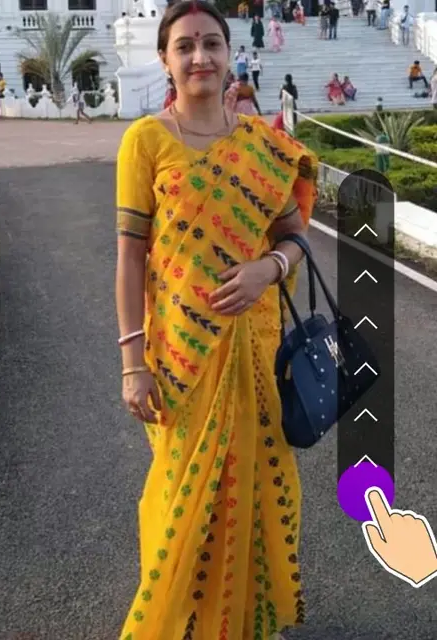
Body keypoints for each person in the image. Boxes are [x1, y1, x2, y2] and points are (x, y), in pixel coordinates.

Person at [115, 2, 318, 639]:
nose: (199, 57)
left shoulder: (263, 145)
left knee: (258, 478)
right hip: (180, 353)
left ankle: (248, 617)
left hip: (256, 347)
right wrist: (131, 363)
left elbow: (294, 236)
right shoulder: (146, 141)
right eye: (185, 46)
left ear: (230, 54)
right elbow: (130, 257)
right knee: (182, 488)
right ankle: (180, 618)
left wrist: (269, 269)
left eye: (211, 44)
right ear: (165, 60)